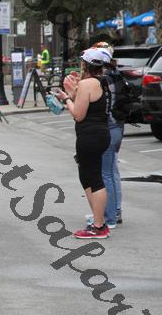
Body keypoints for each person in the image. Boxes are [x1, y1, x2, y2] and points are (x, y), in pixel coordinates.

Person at [55, 48, 111, 239]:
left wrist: (66, 99)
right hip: (99, 134)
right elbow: (87, 105)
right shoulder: (102, 82)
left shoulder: (87, 83)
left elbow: (78, 115)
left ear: (86, 65)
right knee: (86, 177)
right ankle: (97, 220)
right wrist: (73, 93)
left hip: (91, 136)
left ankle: (99, 226)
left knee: (94, 178)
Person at [94, 42, 124, 229]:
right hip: (117, 127)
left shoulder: (104, 79)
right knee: (112, 171)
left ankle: (109, 215)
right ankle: (115, 210)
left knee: (106, 173)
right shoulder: (116, 74)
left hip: (108, 127)